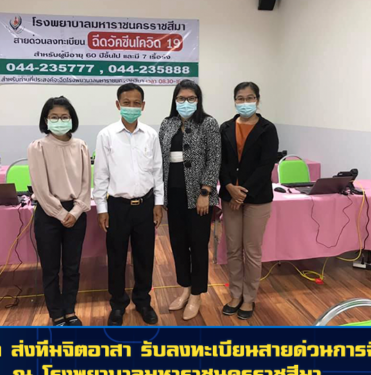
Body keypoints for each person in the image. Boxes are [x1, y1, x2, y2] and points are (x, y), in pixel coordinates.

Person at [93, 83, 164, 326]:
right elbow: (100, 175)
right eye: (126, 103)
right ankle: (118, 304)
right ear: (118, 105)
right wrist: (102, 208)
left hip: (145, 205)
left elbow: (157, 171)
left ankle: (143, 301)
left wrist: (158, 203)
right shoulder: (106, 135)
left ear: (143, 106)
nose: (131, 107)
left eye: (136, 103)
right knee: (116, 257)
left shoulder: (151, 135)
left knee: (144, 256)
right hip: (117, 207)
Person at [158, 80, 220, 320]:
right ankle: (185, 288)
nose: (186, 102)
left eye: (191, 98)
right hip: (173, 194)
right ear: (175, 100)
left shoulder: (208, 123)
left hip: (199, 197)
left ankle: (196, 294)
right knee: (178, 244)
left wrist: (205, 192)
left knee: (198, 245)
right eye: (181, 98)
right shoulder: (167, 124)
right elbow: (160, 159)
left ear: (198, 100)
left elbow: (214, 158)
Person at [28, 96, 91, 326]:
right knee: (51, 268)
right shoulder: (38, 147)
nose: (59, 120)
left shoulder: (81, 146)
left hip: (76, 213)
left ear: (72, 119)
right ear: (46, 120)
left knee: (72, 267)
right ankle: (56, 313)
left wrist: (75, 211)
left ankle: (70, 310)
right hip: (49, 214)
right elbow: (40, 188)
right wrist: (61, 213)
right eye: (54, 117)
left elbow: (86, 184)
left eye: (64, 117)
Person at [218, 82, 278, 320]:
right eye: (240, 98)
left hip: (257, 198)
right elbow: (220, 162)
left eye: (250, 98)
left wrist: (242, 194)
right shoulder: (225, 127)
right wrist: (229, 187)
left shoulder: (267, 128)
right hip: (229, 195)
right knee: (233, 250)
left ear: (258, 100)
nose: (245, 103)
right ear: (235, 101)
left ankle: (249, 298)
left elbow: (266, 165)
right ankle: (235, 294)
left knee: (252, 251)